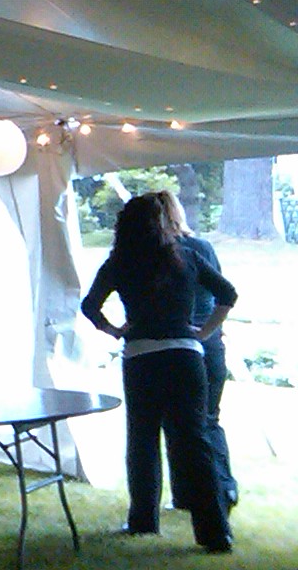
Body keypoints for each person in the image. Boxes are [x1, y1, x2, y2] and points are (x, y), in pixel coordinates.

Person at [81, 193, 235, 551]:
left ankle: (143, 519)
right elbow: (227, 294)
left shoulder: (119, 262)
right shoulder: (187, 257)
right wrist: (203, 332)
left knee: (142, 440)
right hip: (185, 356)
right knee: (194, 442)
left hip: (141, 357)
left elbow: (90, 305)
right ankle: (215, 532)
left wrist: (116, 330)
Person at [158, 190, 238, 512]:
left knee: (175, 423)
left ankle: (185, 495)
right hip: (210, 343)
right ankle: (224, 487)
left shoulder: (158, 253)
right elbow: (221, 291)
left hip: (179, 344)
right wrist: (208, 330)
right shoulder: (202, 247)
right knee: (208, 420)